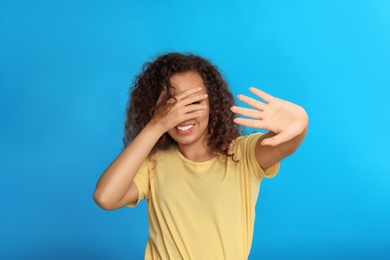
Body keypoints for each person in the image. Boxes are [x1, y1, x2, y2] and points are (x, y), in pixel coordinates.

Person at [94, 52, 308, 260]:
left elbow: (286, 143)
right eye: (171, 105)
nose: (182, 114)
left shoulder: (243, 154)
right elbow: (106, 197)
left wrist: (300, 121)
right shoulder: (153, 164)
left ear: (212, 105)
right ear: (156, 110)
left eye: (194, 103)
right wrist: (157, 125)